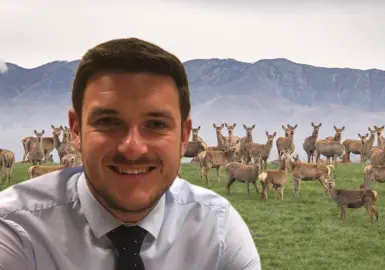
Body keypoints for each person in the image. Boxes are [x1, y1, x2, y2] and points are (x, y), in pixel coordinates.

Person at [0, 38, 261, 270]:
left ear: (184, 136)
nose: (132, 148)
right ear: (76, 131)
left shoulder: (218, 231)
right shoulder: (16, 230)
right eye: (108, 122)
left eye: (156, 125)